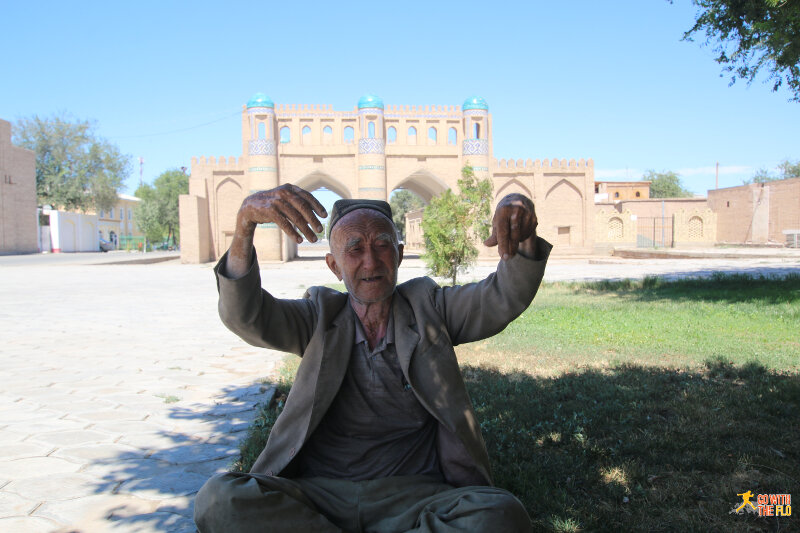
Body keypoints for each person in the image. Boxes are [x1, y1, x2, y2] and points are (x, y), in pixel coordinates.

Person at [194, 184, 552, 533]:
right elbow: (246, 316)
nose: (371, 260)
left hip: (415, 497)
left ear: (398, 254)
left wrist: (518, 215)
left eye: (382, 245)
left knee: (502, 516)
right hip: (320, 495)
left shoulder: (430, 308)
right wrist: (244, 225)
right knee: (218, 499)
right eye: (355, 248)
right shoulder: (318, 316)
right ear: (334, 265)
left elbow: (502, 296)